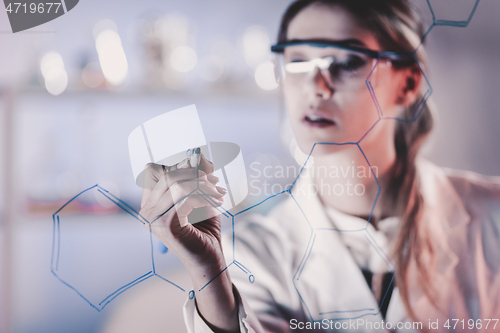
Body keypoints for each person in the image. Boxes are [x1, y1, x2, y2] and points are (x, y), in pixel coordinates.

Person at [138, 0, 500, 332]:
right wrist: (207, 273)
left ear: (407, 83)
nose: (316, 86)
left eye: (345, 62)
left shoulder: (491, 216)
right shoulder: (248, 254)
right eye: (297, 62)